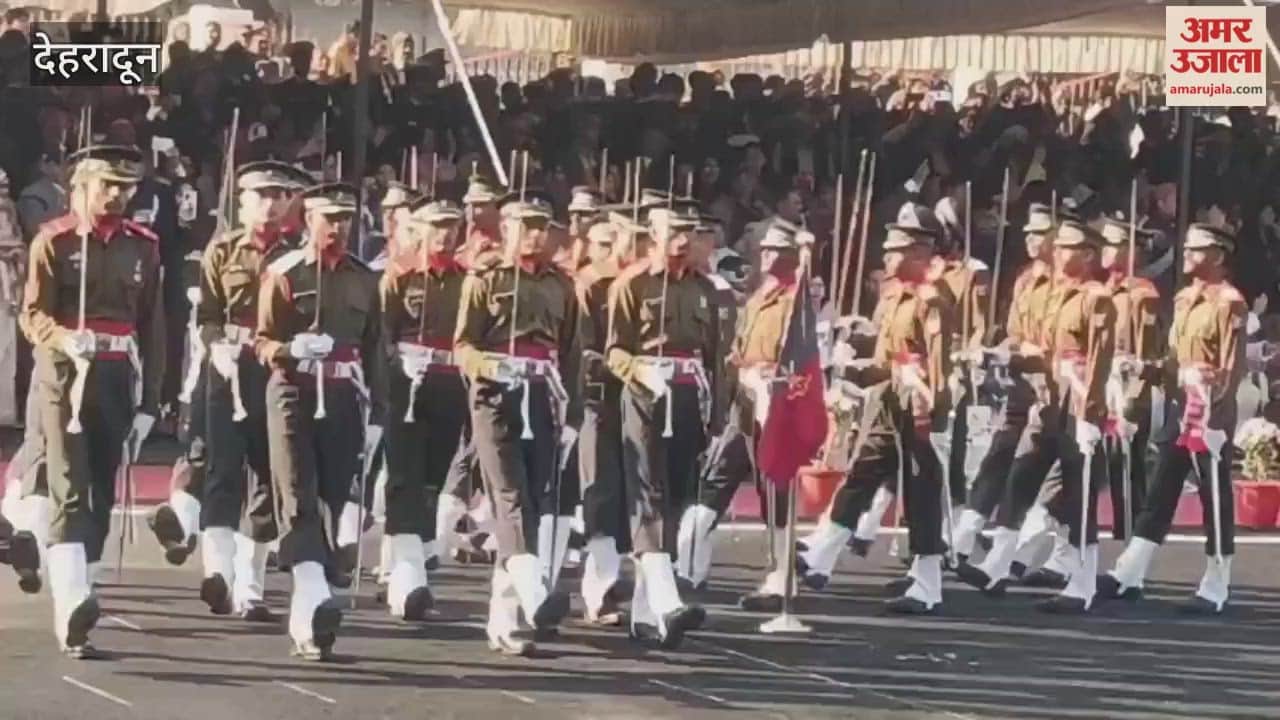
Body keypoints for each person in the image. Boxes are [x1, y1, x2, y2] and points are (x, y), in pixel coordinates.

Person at [18, 145, 165, 658]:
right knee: (69, 484)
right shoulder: (54, 241)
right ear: (80, 186)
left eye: (125, 186)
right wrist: (60, 336)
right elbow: (31, 313)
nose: (117, 195)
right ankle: (71, 604)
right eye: (107, 185)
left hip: (117, 373)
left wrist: (153, 399)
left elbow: (153, 326)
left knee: (103, 484)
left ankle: (86, 584)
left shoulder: (143, 246)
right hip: (65, 375)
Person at [956, 219, 1116, 614]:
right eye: (1057, 246)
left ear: (1088, 255)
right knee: (1020, 478)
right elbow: (1044, 351)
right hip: (1048, 403)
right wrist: (1005, 358)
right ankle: (997, 564)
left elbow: (1099, 361)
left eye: (1067, 247)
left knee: (1078, 499)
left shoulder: (1096, 299)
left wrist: (1090, 414)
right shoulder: (1056, 296)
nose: (1058, 252)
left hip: (1077, 406)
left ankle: (1082, 583)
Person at [798, 204, 951, 614]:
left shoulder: (931, 300)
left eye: (895, 250)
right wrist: (857, 354)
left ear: (919, 253)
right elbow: (887, 353)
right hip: (887, 399)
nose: (886, 257)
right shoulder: (892, 295)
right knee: (862, 472)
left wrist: (933, 411)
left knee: (920, 490)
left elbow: (936, 362)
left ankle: (928, 582)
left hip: (914, 402)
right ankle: (820, 555)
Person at [255, 182, 386, 660]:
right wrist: (291, 349)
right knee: (297, 492)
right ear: (308, 220)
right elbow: (263, 341)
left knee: (334, 496)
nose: (340, 227)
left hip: (344, 395)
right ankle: (313, 605)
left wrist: (380, 415)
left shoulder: (364, 278)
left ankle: (307, 610)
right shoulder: (285, 272)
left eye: (347, 218)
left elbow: (375, 348)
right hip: (294, 390)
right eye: (330, 218)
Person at [1098, 224, 1245, 614]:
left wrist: (1216, 415)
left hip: (1210, 414)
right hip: (1183, 410)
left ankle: (1217, 581)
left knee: (1216, 499)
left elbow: (1231, 369)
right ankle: (1129, 570)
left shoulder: (1229, 304)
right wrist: (1144, 368)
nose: (1188, 255)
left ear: (1218, 255)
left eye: (1197, 250)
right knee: (1161, 492)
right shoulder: (1183, 300)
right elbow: (1173, 360)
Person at [454, 193, 577, 656]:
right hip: (495, 397)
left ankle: (502, 622)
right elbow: (462, 346)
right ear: (504, 230)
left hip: (542, 397)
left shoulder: (561, 286)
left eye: (542, 227)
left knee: (533, 499)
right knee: (508, 494)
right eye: (525, 226)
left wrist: (573, 414)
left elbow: (570, 353)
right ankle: (532, 589)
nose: (536, 235)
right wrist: (489, 366)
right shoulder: (484, 280)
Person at [194, 161, 309, 621]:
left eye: (278, 196)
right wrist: (214, 346)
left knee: (268, 475)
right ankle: (217, 574)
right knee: (222, 469)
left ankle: (251, 586)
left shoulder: (298, 255)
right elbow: (206, 314)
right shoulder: (221, 251)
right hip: (230, 365)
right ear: (241, 203)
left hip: (276, 368)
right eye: (260, 196)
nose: (269, 204)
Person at [607, 204, 714, 646]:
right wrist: (642, 372)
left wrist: (718, 411)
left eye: (689, 232)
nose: (683, 241)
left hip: (689, 398)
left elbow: (715, 356)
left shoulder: (704, 289)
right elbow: (614, 352)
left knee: (674, 498)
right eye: (674, 232)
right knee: (648, 493)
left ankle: (645, 614)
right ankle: (668, 603)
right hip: (647, 395)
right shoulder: (632, 285)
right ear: (653, 235)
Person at [680, 220, 799, 612]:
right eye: (763, 249)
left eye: (775, 251)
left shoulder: (795, 303)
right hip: (745, 398)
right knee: (718, 473)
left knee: (773, 490)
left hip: (773, 399)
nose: (765, 256)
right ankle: (689, 561)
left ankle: (782, 576)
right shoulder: (757, 297)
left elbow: (801, 362)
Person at [950, 203, 1055, 564]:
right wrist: (993, 351)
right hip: (1020, 382)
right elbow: (1014, 333)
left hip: (1051, 386)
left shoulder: (1065, 287)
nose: (1030, 239)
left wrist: (1023, 351)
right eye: (1028, 233)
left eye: (1039, 233)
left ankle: (1029, 552)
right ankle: (965, 535)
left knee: (1038, 470)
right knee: (998, 456)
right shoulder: (1025, 279)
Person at [379, 198, 467, 621]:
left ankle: (409, 568)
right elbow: (381, 334)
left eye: (452, 226)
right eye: (437, 226)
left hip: (450, 384)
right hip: (407, 385)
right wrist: (395, 360)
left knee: (434, 479)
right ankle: (406, 578)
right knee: (404, 476)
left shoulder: (467, 279)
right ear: (419, 230)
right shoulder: (400, 277)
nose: (445, 234)